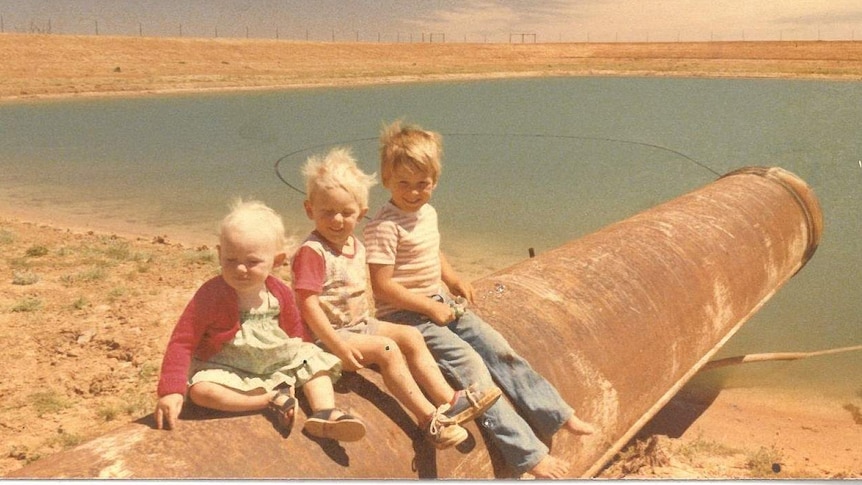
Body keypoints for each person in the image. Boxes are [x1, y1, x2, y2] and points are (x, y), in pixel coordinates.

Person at [363, 121, 596, 478]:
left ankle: (555, 413)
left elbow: (432, 250)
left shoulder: (426, 213)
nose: (413, 193)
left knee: (497, 347)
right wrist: (428, 307)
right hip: (407, 317)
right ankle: (527, 455)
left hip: (439, 301)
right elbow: (382, 287)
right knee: (471, 367)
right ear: (386, 179)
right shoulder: (383, 226)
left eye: (422, 184)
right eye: (403, 184)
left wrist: (452, 278)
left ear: (435, 181)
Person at [291, 147, 501, 450]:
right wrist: (337, 345)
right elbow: (308, 305)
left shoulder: (355, 244)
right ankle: (429, 419)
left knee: (412, 336)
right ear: (310, 210)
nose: (337, 220)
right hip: (327, 338)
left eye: (347, 213)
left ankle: (449, 399)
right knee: (388, 349)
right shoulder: (313, 252)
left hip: (359, 325)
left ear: (361, 214)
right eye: (327, 212)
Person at [154, 199, 366, 442]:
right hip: (230, 367)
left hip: (274, 361)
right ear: (220, 253)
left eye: (252, 262)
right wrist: (171, 390)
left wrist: (306, 354)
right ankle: (266, 401)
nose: (241, 269)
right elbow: (183, 340)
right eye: (231, 260)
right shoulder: (211, 294)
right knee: (201, 391)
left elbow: (296, 332)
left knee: (314, 362)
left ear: (276, 261)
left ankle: (326, 411)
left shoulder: (278, 291)